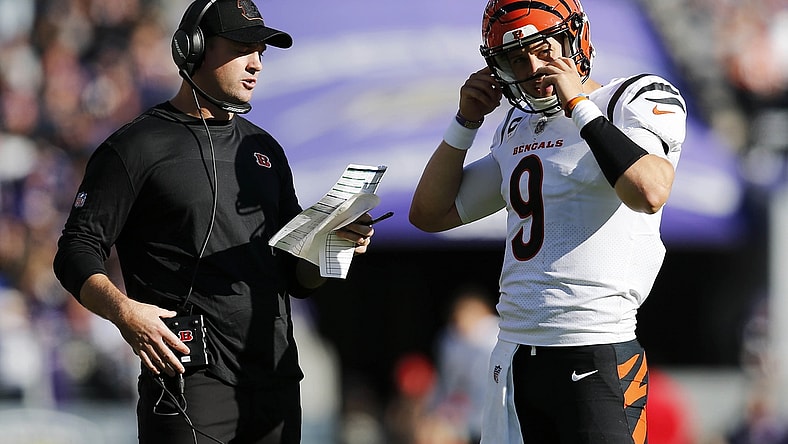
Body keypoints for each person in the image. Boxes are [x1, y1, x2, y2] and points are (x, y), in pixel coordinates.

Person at [52, 1, 377, 443]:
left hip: (275, 385)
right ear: (194, 48)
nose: (257, 63)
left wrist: (329, 248)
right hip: (191, 383)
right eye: (243, 47)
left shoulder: (264, 150)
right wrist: (124, 312)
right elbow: (75, 249)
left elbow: (293, 277)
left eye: (262, 51)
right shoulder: (135, 146)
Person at [409, 0, 686, 442]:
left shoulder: (630, 97)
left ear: (575, 40)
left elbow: (648, 192)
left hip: (596, 347)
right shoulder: (517, 125)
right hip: (513, 355)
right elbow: (429, 213)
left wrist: (578, 102)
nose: (533, 67)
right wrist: (465, 122)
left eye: (544, 50)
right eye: (516, 59)